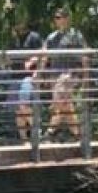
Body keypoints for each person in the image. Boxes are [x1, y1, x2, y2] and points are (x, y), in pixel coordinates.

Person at [38, 7, 89, 141]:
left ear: (67, 19)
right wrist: (39, 74)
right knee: (65, 104)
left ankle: (49, 132)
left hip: (70, 75)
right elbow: (44, 56)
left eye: (60, 17)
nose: (57, 20)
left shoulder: (75, 35)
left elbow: (84, 56)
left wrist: (86, 78)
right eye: (56, 18)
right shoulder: (51, 37)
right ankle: (78, 135)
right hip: (55, 76)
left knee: (60, 99)